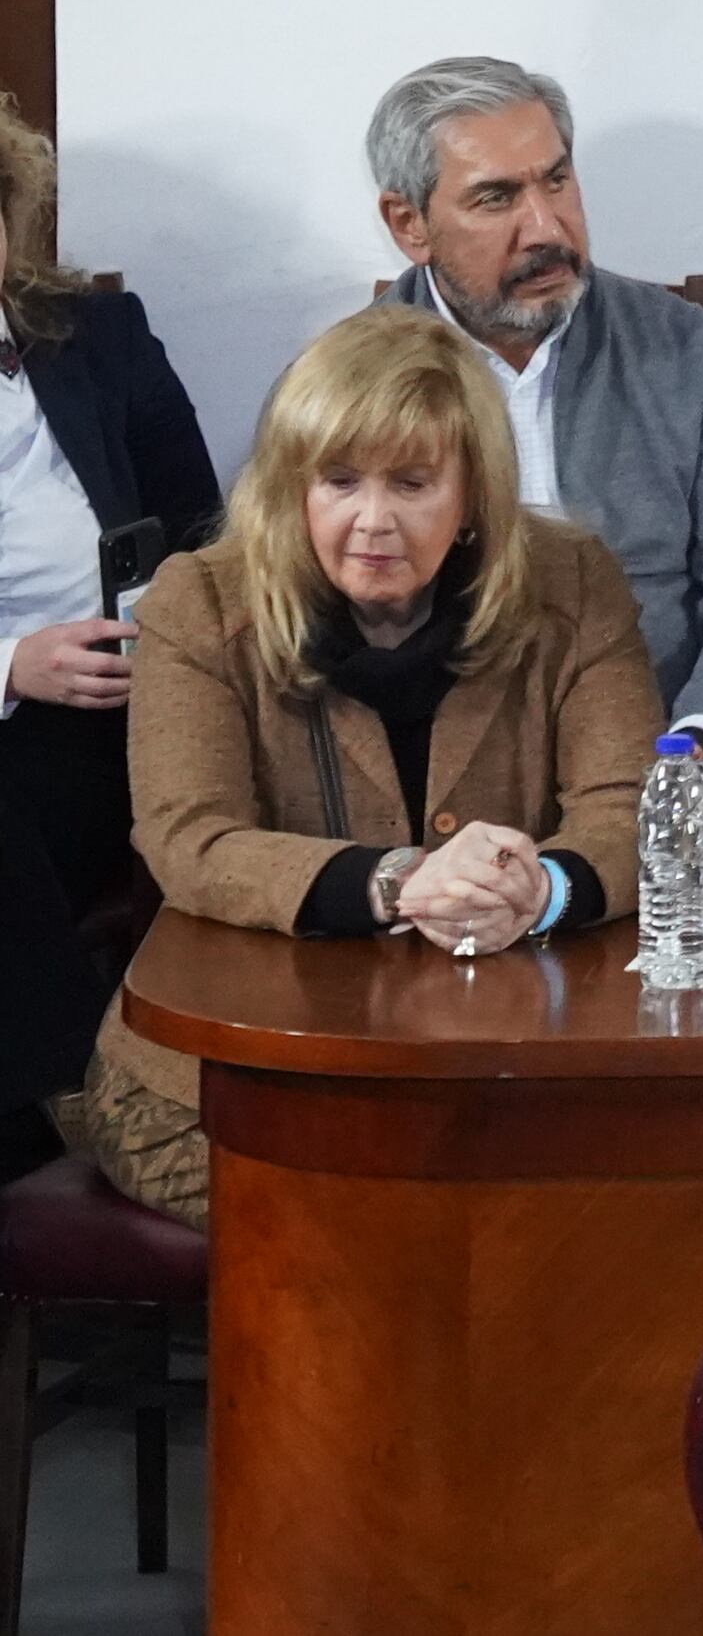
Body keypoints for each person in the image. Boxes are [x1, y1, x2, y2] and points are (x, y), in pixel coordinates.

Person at [73, 311, 659, 1225]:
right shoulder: (199, 599)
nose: (372, 520)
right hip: (227, 1090)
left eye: (414, 482)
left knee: (586, 1215)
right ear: (294, 489)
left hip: (515, 1070)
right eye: (339, 481)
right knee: (385, 1225)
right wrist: (402, 881)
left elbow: (629, 807)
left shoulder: (573, 582)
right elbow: (188, 834)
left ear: (472, 493)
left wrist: (537, 889)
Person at [367, 56, 703, 900]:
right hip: (443, 781)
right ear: (409, 224)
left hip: (667, 742)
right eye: (496, 198)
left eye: (558, 180)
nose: (546, 226)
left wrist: (696, 748)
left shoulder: (690, 354)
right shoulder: (345, 386)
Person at [0, 98, 222, 1062]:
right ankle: (55, 1109)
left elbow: (203, 526)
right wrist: (11, 662)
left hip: (120, 702)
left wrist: (167, 641)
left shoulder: (101, 334)